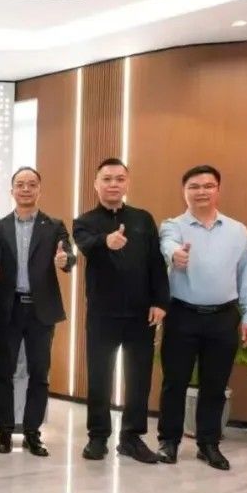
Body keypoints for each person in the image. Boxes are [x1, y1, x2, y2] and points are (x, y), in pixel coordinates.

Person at [156, 165, 247, 470]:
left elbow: (246, 275)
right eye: (194, 186)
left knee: (215, 384)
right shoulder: (173, 226)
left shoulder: (237, 230)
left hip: (223, 318)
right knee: (174, 382)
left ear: (218, 190)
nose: (201, 191)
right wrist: (176, 254)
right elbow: (168, 244)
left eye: (208, 186)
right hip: (182, 315)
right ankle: (169, 441)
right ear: (184, 192)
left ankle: (208, 444)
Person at [73, 158, 169, 463]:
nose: (113, 184)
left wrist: (160, 301)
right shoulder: (84, 221)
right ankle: (98, 436)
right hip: (102, 314)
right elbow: (86, 244)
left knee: (138, 377)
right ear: (96, 184)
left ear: (127, 183)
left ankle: (131, 437)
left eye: (119, 178)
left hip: (141, 314)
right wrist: (107, 241)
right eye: (107, 179)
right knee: (99, 376)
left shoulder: (143, 219)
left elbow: (156, 262)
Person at [0, 167, 76, 458]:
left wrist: (65, 260)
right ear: (12, 190)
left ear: (40, 189)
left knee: (39, 374)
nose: (25, 189)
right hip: (8, 308)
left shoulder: (53, 225)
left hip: (41, 310)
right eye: (20, 184)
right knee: (4, 372)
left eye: (31, 184)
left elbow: (68, 255)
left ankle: (32, 433)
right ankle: (4, 432)